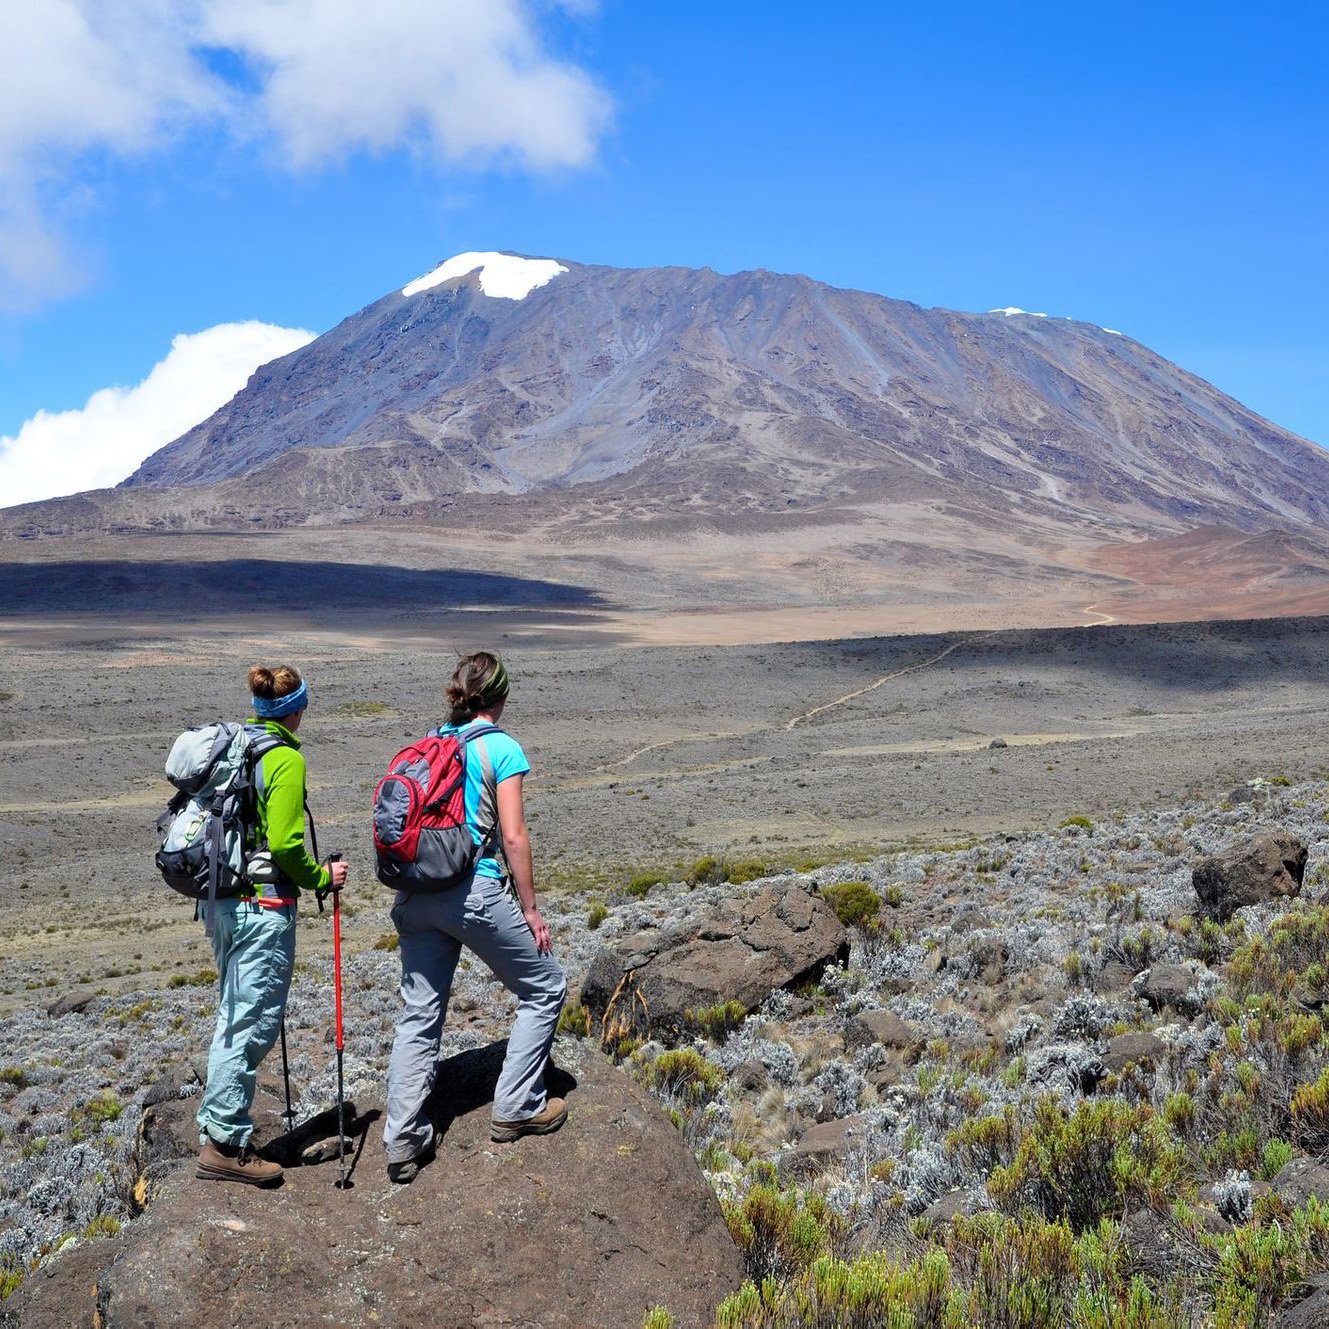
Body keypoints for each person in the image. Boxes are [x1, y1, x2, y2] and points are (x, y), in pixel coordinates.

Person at [384, 652, 567, 1183]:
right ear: (500, 697)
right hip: (473, 892)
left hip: (416, 896)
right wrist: (530, 909)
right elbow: (513, 836)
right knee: (546, 987)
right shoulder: (500, 748)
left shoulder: (432, 741)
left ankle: (402, 1140)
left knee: (419, 1016)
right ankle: (517, 1106)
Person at [195, 664, 350, 1186]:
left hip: (222, 904)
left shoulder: (237, 748)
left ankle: (218, 1131)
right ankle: (224, 1146)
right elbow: (285, 844)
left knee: (233, 1015)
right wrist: (321, 876)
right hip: (262, 908)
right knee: (251, 1024)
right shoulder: (282, 758)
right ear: (297, 709)